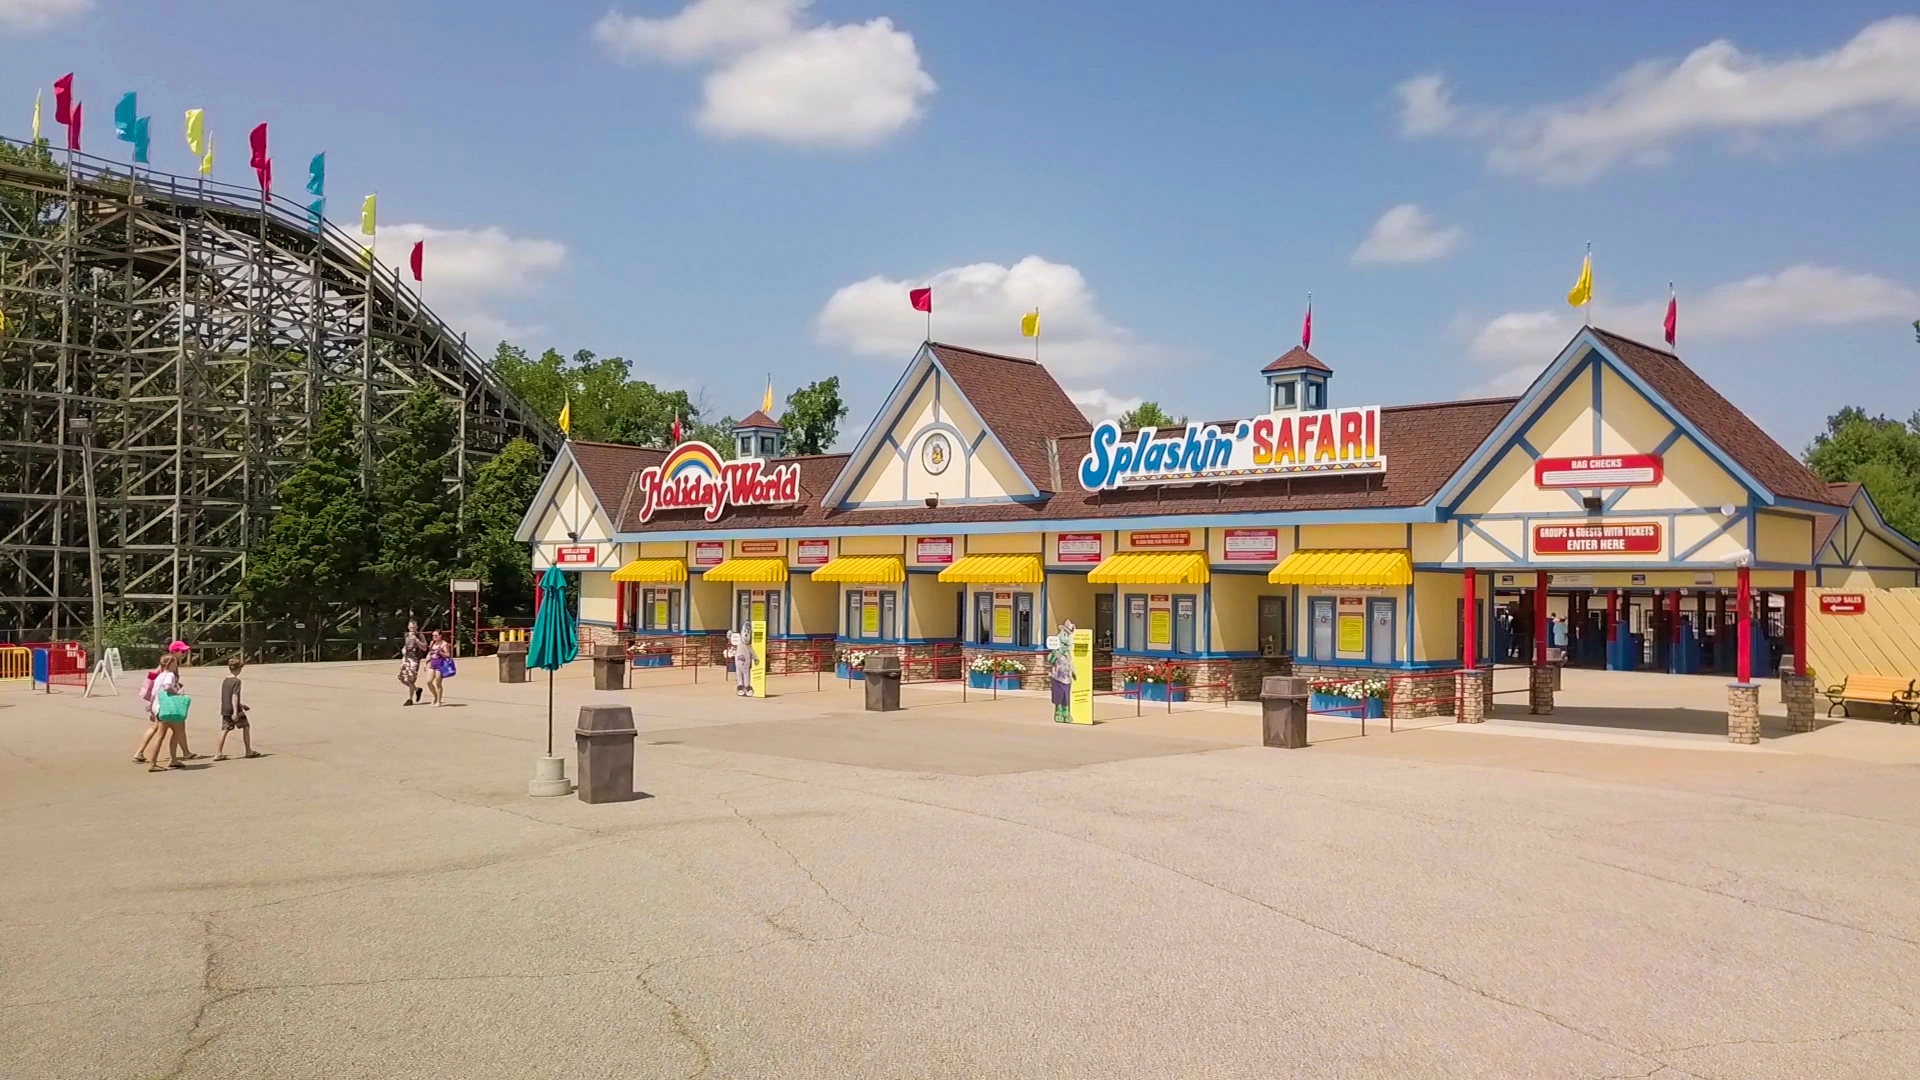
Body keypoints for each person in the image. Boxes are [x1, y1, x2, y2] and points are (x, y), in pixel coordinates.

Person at [147, 653, 190, 772]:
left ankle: (173, 759)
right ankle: (154, 763)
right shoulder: (169, 675)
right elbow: (167, 687)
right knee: (168, 734)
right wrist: (178, 693)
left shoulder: (159, 676)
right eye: (175, 662)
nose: (177, 665)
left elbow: (154, 693)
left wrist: (151, 708)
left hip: (158, 707)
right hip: (168, 707)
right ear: (170, 664)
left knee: (175, 732)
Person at [215, 656, 261, 761]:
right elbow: (234, 696)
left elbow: (227, 696)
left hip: (225, 708)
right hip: (234, 710)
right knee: (246, 726)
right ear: (238, 668)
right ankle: (248, 750)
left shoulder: (225, 680)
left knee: (224, 730)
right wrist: (236, 711)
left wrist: (241, 705)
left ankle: (218, 753)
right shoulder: (237, 681)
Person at [1049, 621, 1076, 723]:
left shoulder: (1068, 653)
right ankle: (1058, 711)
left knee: (1066, 694)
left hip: (1067, 677)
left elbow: (1070, 662)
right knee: (1058, 693)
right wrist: (1056, 653)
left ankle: (1066, 711)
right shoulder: (1057, 650)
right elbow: (1050, 659)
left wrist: (1073, 672)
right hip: (1057, 676)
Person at [399, 621, 427, 705]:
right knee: (401, 677)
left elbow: (425, 648)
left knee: (411, 679)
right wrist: (403, 649)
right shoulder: (406, 635)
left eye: (414, 628)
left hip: (414, 659)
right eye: (411, 627)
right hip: (406, 658)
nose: (412, 629)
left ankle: (410, 699)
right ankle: (417, 689)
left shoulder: (420, 636)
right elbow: (406, 645)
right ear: (408, 627)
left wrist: (417, 640)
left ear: (417, 627)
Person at [424, 630, 452, 706]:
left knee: (438, 683)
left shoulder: (444, 644)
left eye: (436, 635)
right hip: (432, 664)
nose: (434, 637)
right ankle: (435, 696)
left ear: (440, 635)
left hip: (440, 665)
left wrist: (441, 653)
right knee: (429, 682)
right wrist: (426, 662)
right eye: (433, 635)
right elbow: (429, 653)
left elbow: (448, 655)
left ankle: (438, 701)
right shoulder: (432, 643)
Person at [731, 629, 755, 697]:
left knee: (745, 674)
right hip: (740, 661)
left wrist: (755, 658)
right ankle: (741, 686)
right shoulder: (740, 644)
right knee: (740, 673)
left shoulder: (747, 645)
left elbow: (752, 652)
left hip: (744, 662)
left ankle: (746, 686)